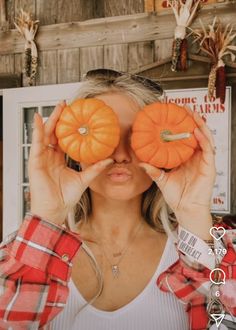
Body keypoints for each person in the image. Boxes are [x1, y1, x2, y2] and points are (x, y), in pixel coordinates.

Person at [0, 69, 236, 330]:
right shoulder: (21, 254)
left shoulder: (205, 251)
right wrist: (47, 214)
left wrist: (193, 213)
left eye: (137, 137)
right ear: (74, 148)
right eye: (104, 134)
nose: (122, 154)